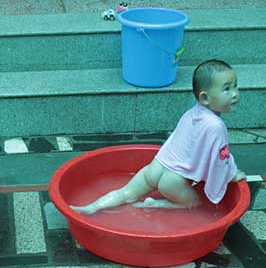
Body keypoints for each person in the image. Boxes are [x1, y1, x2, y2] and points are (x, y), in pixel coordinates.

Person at [71, 59, 246, 215]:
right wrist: (231, 175)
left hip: (156, 167)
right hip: (174, 181)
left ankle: (92, 207)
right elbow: (219, 159)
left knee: (125, 193)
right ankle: (157, 204)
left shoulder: (192, 114)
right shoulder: (216, 125)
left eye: (236, 86)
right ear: (205, 98)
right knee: (196, 204)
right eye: (227, 89)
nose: (235, 93)